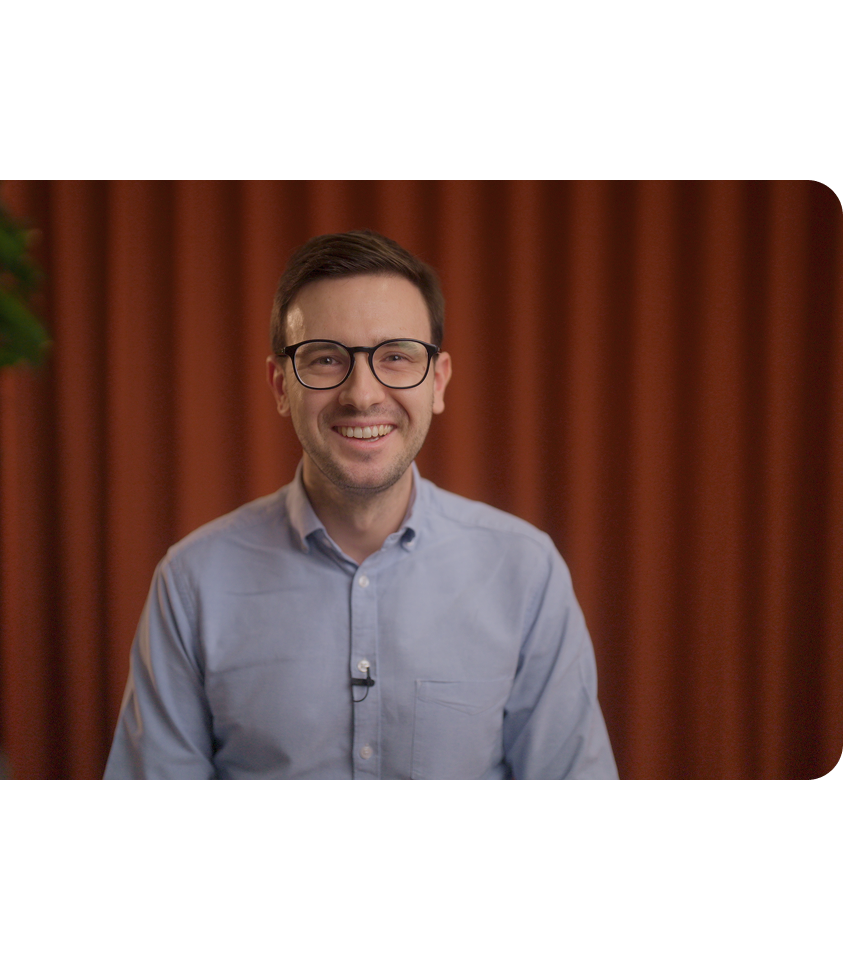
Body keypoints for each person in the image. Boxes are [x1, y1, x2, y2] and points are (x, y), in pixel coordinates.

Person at [103, 230, 618, 779]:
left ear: (438, 382)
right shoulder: (192, 584)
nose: (363, 394)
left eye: (395, 356)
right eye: (326, 359)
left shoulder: (526, 574)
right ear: (280, 386)